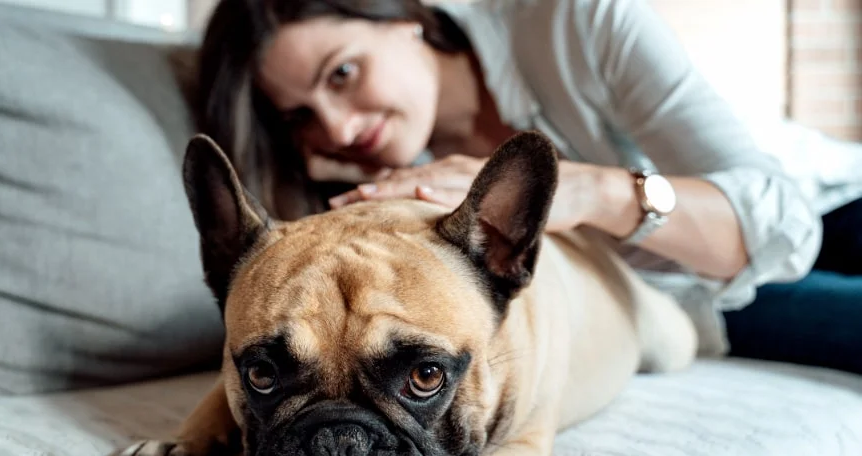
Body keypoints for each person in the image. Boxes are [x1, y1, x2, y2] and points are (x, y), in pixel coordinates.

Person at [191, 0, 862, 374]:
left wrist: (593, 194)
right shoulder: (380, 200)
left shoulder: (576, 22)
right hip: (707, 297)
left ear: (403, 16)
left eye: (341, 74)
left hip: (818, 203)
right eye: (299, 117)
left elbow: (786, 228)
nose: (337, 124)